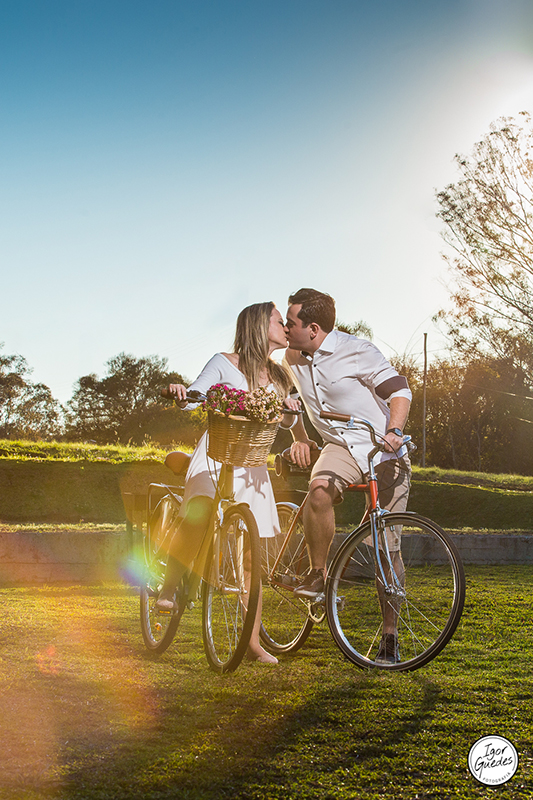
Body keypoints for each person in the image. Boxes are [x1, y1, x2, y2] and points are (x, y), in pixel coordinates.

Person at [155, 301, 298, 664]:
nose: (286, 326)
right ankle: (169, 586)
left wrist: (292, 416)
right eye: (279, 321)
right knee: (200, 512)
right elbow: (195, 397)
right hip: (216, 456)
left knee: (252, 560)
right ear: (259, 325)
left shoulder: (280, 376)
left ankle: (252, 643)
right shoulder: (223, 362)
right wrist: (181, 393)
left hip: (252, 465)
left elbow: (286, 420)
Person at [282, 288, 412, 664]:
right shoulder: (291, 356)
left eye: (291, 322)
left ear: (313, 329)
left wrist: (394, 431)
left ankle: (390, 636)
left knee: (386, 549)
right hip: (339, 446)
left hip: (381, 447)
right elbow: (289, 401)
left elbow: (399, 390)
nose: (285, 329)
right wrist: (300, 437)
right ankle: (318, 575)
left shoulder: (357, 350)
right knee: (318, 491)